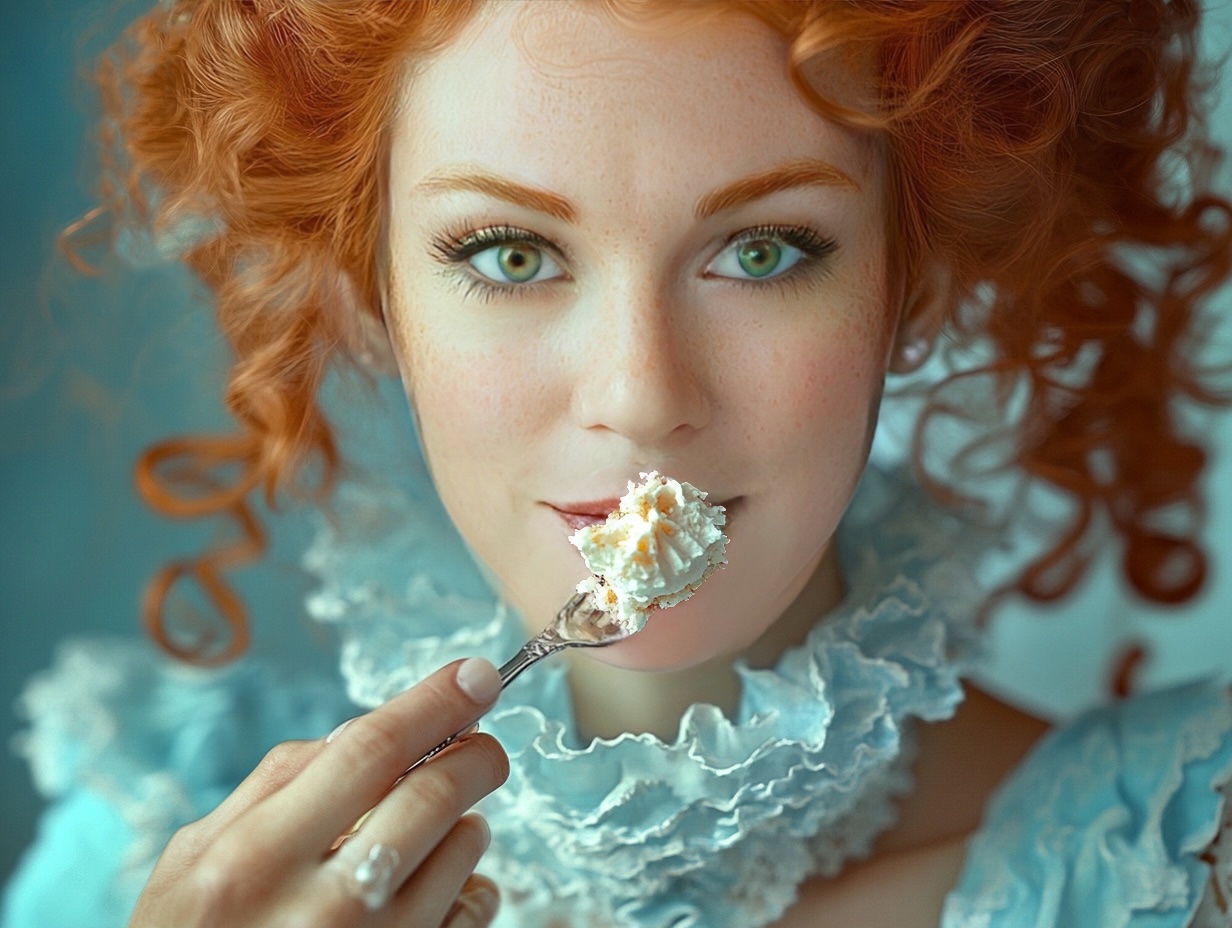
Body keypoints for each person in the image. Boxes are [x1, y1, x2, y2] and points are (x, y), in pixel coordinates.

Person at [4, 1, 1232, 926]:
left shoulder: (1176, 864)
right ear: (372, 292)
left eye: (762, 251)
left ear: (909, 284)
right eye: (511, 253)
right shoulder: (145, 855)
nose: (641, 399)